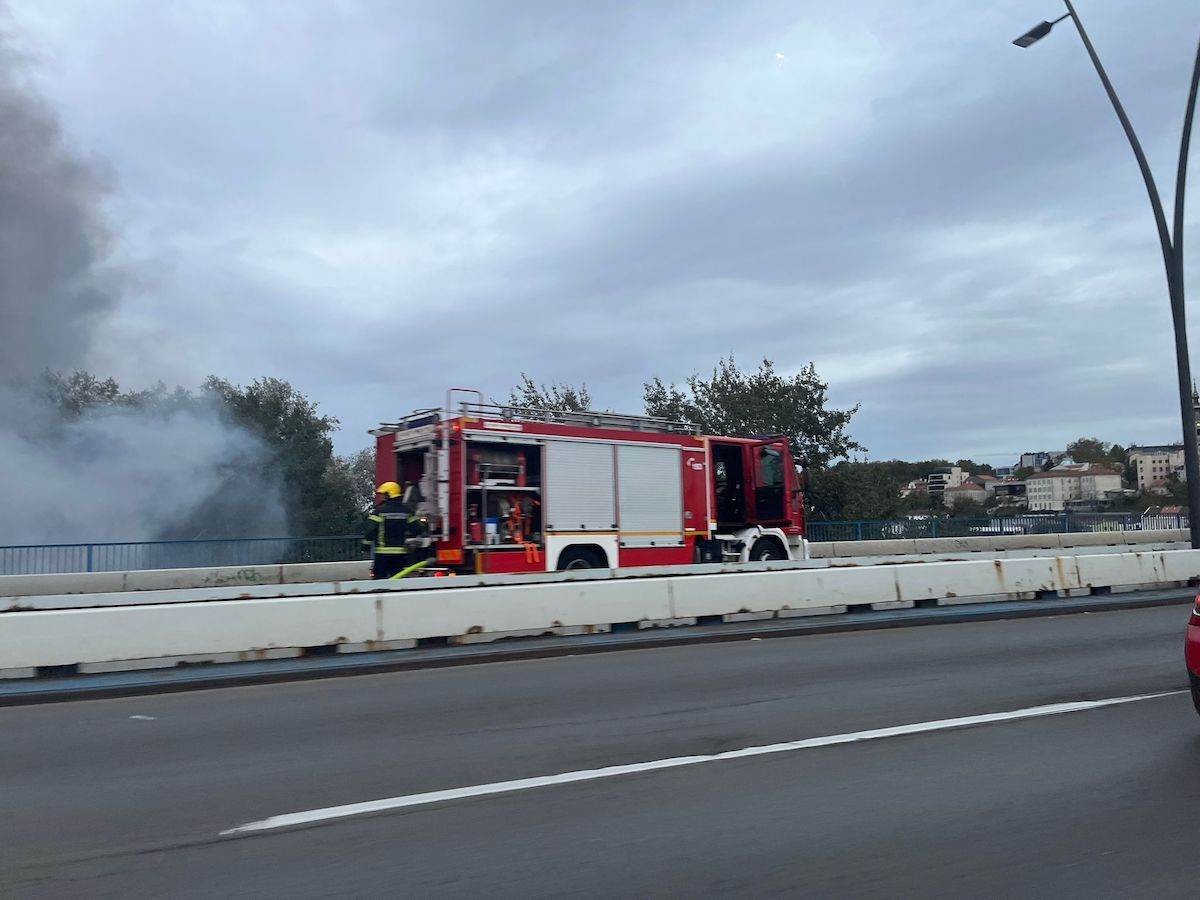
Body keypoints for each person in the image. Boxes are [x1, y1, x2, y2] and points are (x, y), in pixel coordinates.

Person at [364, 481, 411, 579]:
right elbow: (417, 528)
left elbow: (370, 530)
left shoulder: (379, 511)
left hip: (382, 554)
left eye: (384, 495)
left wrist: (365, 547)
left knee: (379, 582)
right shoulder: (406, 511)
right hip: (400, 555)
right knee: (397, 581)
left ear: (389, 494)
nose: (383, 497)